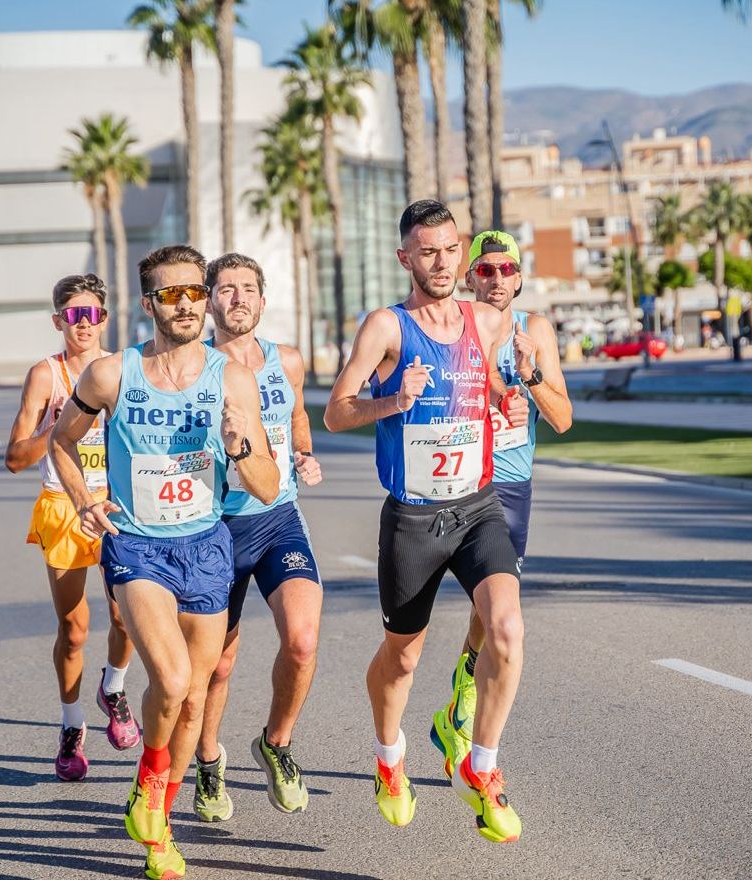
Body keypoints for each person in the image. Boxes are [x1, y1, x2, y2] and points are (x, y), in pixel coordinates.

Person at [48, 244, 279, 880]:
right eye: (171, 294)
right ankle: (151, 784)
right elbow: (60, 440)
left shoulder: (231, 378)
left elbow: (265, 483)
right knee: (172, 684)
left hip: (206, 546)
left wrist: (240, 448)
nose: (186, 304)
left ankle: (160, 824)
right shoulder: (110, 375)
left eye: (195, 292)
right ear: (149, 303)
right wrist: (83, 497)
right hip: (137, 545)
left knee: (195, 701)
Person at [324, 199, 530, 844]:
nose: (441, 263)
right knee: (403, 657)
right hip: (413, 517)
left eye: (450, 250)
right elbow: (336, 412)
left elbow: (493, 390)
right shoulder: (386, 327)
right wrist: (394, 400)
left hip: (476, 507)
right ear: (404, 257)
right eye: (427, 251)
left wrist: (513, 401)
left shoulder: (486, 322)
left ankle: (483, 765)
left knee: (505, 630)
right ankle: (390, 758)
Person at [432, 230, 572, 784]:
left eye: (504, 270)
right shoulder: (450, 324)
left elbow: (561, 419)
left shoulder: (534, 329)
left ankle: (462, 697)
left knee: (495, 611)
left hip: (511, 488)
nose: (494, 280)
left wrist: (530, 375)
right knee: (427, 624)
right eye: (483, 270)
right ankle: (418, 728)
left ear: (518, 277)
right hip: (458, 486)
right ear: (469, 276)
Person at [191, 253, 323, 823]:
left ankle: (276, 743)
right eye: (226, 289)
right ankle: (207, 762)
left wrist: (304, 454)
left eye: (248, 289)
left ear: (262, 301)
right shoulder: (193, 369)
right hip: (214, 525)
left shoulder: (286, 361)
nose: (238, 298)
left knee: (302, 641)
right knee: (218, 665)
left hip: (277, 518)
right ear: (209, 302)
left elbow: (296, 416)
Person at [5, 274, 142, 784]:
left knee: (128, 616)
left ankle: (114, 687)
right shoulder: (46, 376)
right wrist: (57, 427)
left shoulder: (123, 369)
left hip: (116, 507)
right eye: (72, 315)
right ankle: (72, 724)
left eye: (92, 314)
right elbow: (14, 459)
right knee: (75, 628)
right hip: (64, 506)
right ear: (58, 320)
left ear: (103, 319)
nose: (83, 324)